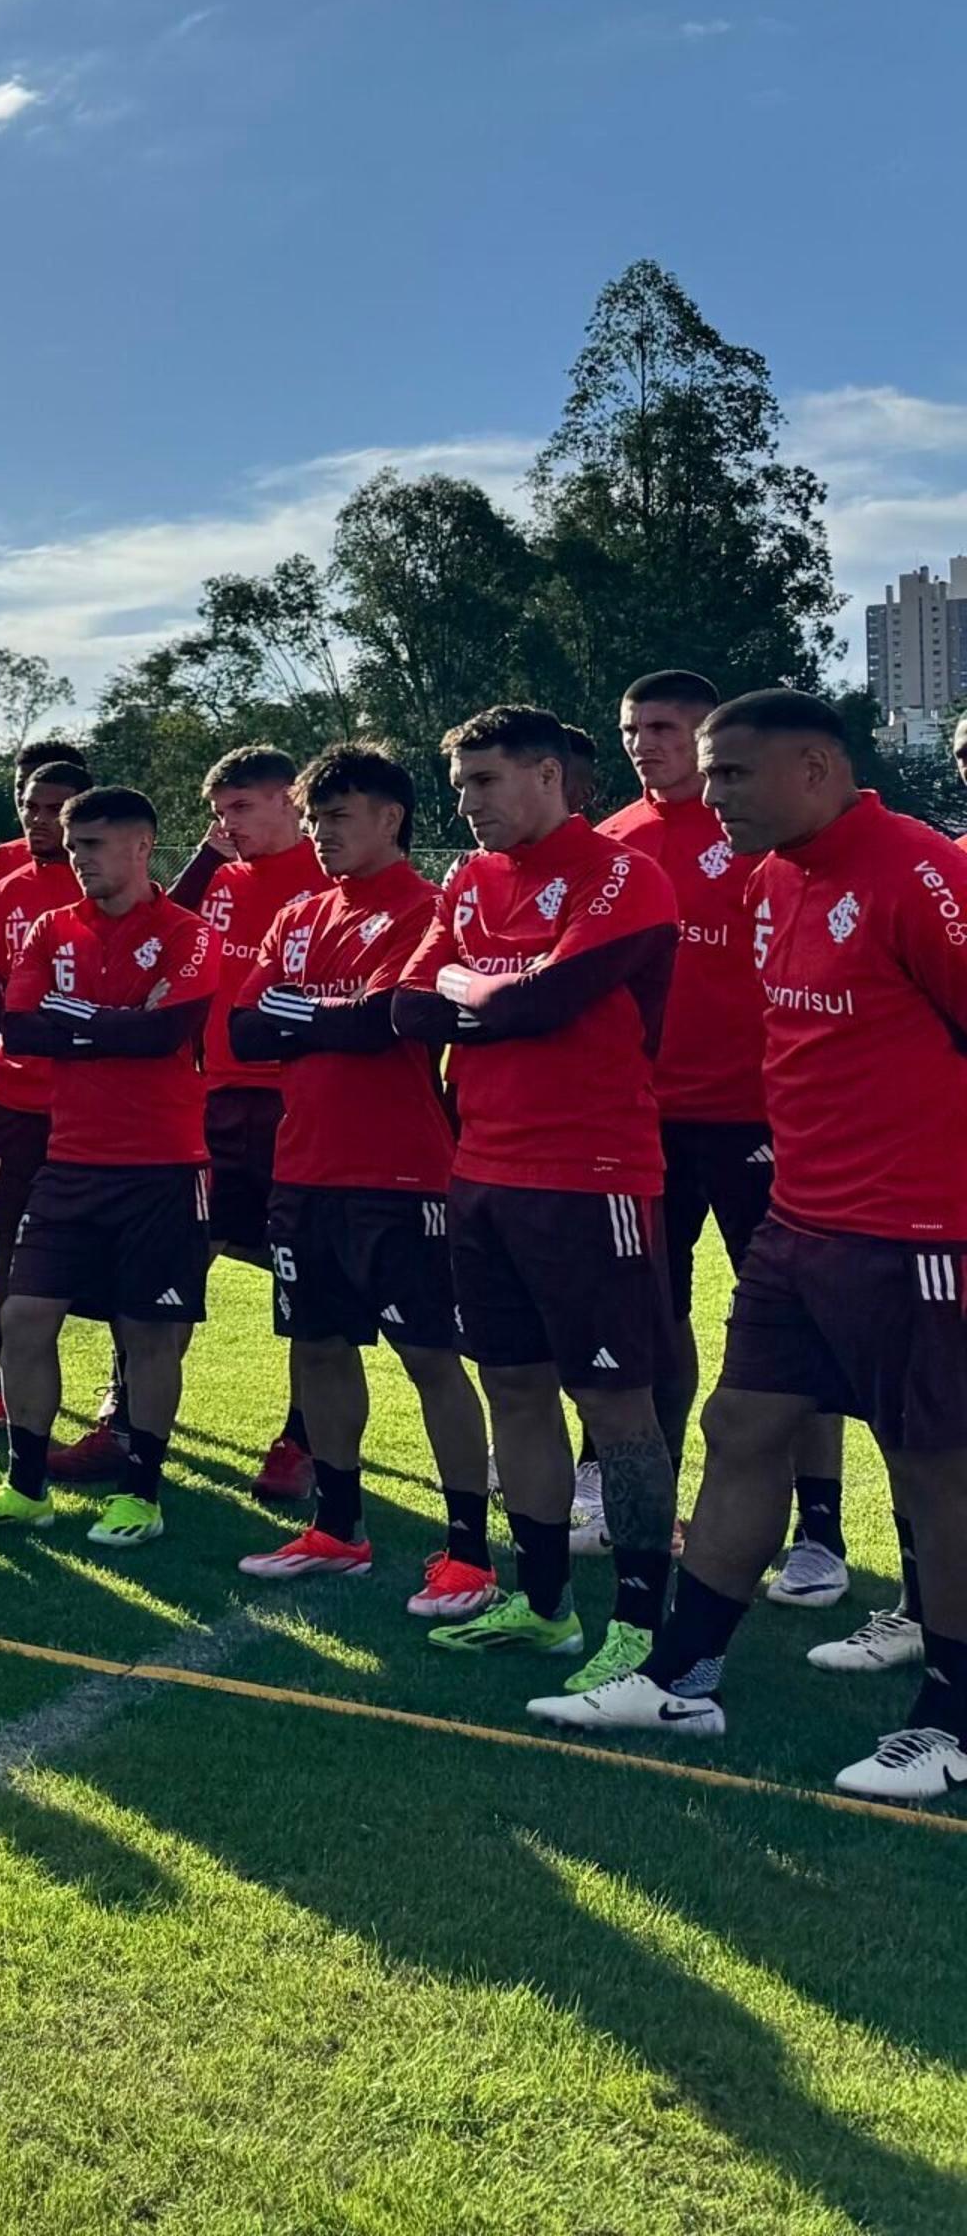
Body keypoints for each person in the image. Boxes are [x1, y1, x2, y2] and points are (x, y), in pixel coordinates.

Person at [533, 690, 967, 1801]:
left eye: (734, 773)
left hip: (918, 1231)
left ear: (817, 767)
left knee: (934, 1467)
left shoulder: (918, 870)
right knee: (741, 1426)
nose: (711, 793)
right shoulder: (777, 875)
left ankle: (953, 1714)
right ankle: (682, 1676)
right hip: (803, 1224)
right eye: (711, 773)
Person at [390, 703, 681, 1687]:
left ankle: (643, 1619)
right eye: (461, 783)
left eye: (484, 781)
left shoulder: (623, 875)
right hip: (480, 1174)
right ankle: (546, 1603)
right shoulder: (469, 879)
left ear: (548, 776)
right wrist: (489, 996)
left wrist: (478, 992)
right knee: (512, 1387)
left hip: (589, 1176)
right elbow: (406, 1004)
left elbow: (540, 1001)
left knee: (616, 1405)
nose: (466, 803)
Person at [220, 744, 498, 1611]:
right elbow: (244, 1029)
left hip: (402, 1174)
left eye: (337, 817)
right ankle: (338, 1528)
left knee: (431, 1359)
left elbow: (386, 1022)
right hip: (304, 1168)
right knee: (319, 1348)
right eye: (313, 818)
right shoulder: (299, 913)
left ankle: (469, 1553)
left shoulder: (428, 908)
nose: (320, 833)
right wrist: (321, 1018)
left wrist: (307, 1015)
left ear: (390, 818)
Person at [604, 670, 850, 1604]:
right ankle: (642, 1494)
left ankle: (818, 1528)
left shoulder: (769, 830)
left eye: (664, 726)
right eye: (631, 728)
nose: (644, 743)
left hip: (763, 1117)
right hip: (645, 1120)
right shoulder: (611, 845)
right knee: (648, 1313)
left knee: (795, 1326)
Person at [0, 785, 219, 1545]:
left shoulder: (187, 931)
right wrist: (117, 1022)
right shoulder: (48, 928)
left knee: (148, 1335)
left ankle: (142, 1491)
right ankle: (25, 1484)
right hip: (70, 1161)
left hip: (163, 1164)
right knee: (26, 1317)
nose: (81, 861)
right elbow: (23, 1030)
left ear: (142, 846)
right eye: (74, 848)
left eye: (94, 846)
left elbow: (167, 1032)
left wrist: (88, 1022)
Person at [172, 745, 332, 1504]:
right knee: (172, 1256)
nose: (226, 825)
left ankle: (301, 1437)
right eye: (219, 811)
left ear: (291, 800)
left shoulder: (329, 877)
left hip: (295, 1102)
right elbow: (159, 935)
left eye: (241, 807)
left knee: (303, 1274)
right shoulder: (221, 883)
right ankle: (131, 1412)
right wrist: (205, 861)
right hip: (212, 1099)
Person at [0, 753, 101, 1468]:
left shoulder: (113, 892)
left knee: (106, 1252)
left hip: (91, 1103)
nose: (39, 818)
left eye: (56, 807)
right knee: (8, 1236)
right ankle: (2, 1379)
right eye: (30, 803)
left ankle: (120, 1407)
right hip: (12, 1097)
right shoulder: (3, 881)